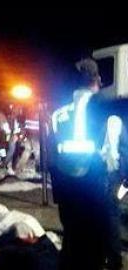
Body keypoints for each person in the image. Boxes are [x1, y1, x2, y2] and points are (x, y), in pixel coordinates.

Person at [50, 58, 126, 270]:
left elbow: (52, 157)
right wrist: (117, 189)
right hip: (97, 187)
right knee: (98, 250)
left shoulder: (58, 115)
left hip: (67, 189)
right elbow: (118, 156)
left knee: (72, 245)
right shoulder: (108, 113)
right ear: (98, 80)